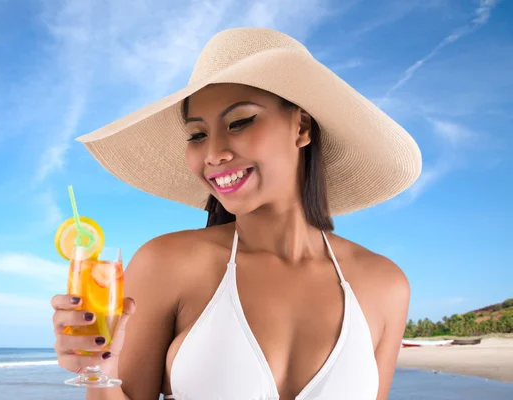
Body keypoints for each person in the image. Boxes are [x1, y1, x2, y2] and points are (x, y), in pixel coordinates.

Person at [50, 27, 421, 400]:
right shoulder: (166, 265)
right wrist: (98, 374)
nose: (213, 154)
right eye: (197, 135)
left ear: (302, 126)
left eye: (239, 122)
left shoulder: (385, 285)